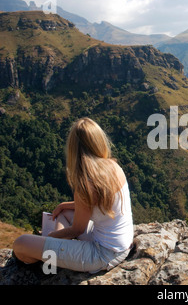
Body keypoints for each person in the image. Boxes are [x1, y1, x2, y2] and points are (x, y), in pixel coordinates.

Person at [13, 117, 134, 273]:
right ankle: (54, 253)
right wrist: (65, 205)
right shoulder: (113, 166)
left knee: (21, 244)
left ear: (73, 149)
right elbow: (96, 203)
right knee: (65, 212)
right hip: (121, 243)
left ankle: (48, 264)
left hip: (102, 254)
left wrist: (48, 237)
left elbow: (77, 230)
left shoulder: (85, 184)